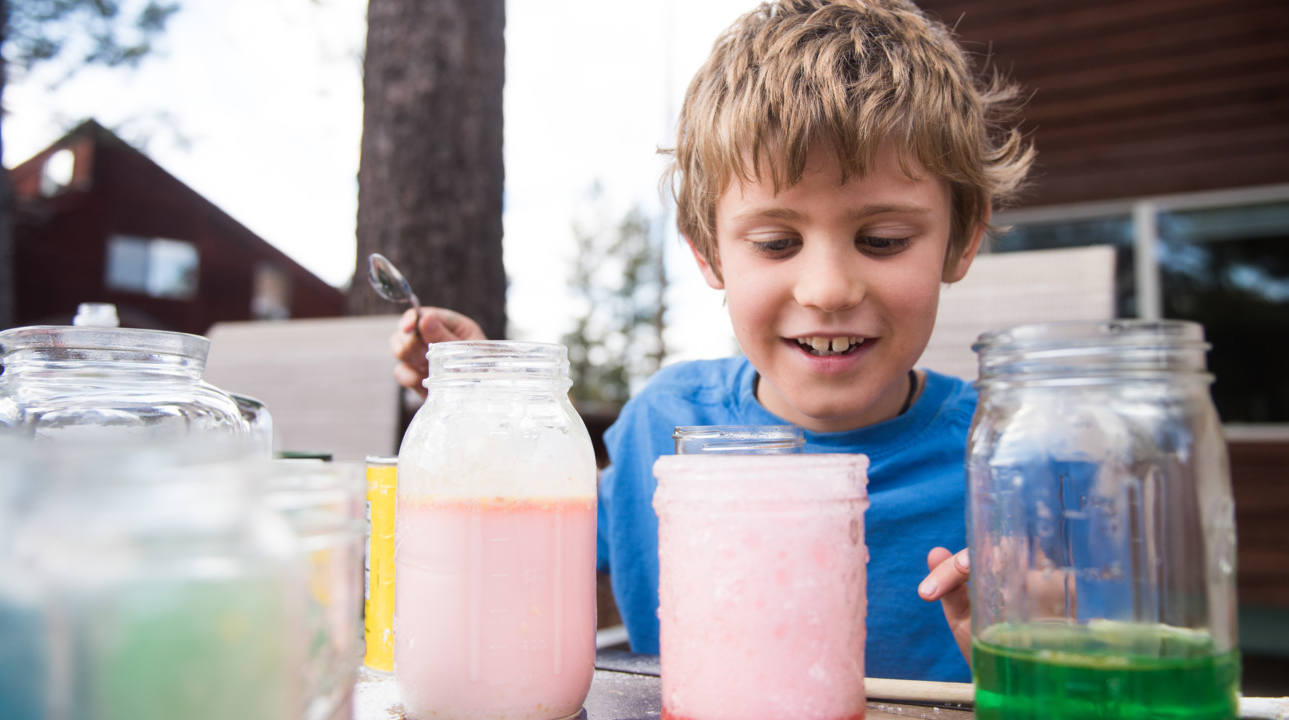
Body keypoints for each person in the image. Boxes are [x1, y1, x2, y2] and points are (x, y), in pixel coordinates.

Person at [390, 0, 1032, 682]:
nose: (827, 289)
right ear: (708, 253)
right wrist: (492, 399)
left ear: (962, 239)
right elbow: (526, 539)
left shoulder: (1013, 463)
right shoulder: (661, 428)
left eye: (882, 241)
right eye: (776, 242)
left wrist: (1025, 670)